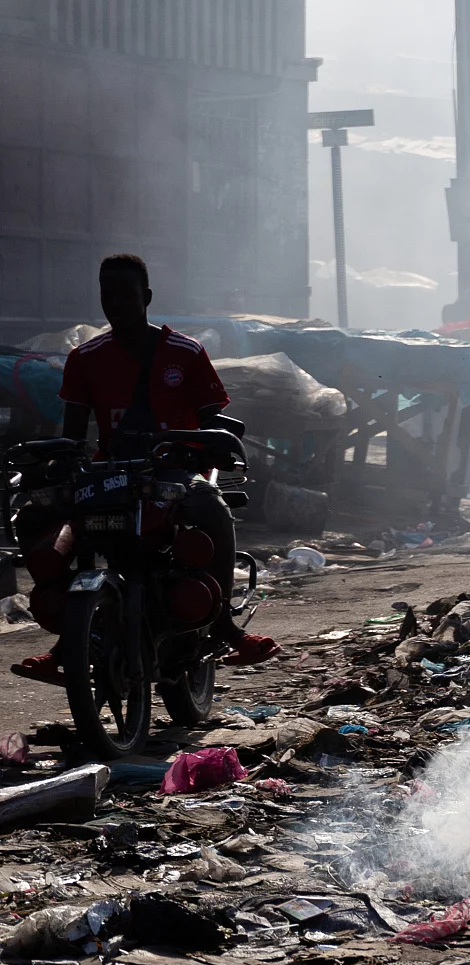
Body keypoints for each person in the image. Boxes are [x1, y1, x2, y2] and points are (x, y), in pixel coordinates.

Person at [12, 252, 277, 685]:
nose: (115, 302)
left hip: (172, 475)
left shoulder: (186, 352)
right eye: (107, 294)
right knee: (32, 513)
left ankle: (226, 627)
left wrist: (213, 447)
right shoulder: (84, 357)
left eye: (125, 293)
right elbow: (75, 435)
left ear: (147, 296)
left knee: (213, 509)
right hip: (109, 476)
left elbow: (212, 420)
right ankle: (67, 641)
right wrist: (53, 463)